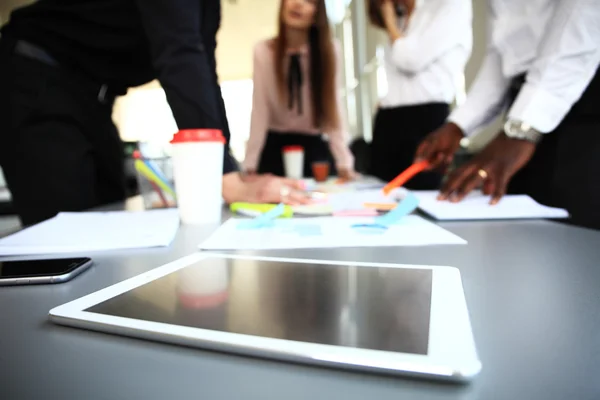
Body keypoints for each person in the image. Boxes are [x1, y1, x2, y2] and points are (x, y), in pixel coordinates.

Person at [0, 0, 309, 227]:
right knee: (66, 232)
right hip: (33, 77)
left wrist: (225, 165)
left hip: (94, 97)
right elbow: (179, 53)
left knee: (107, 220)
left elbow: (204, 73)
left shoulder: (208, 8)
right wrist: (224, 177)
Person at [415, 0, 600, 230]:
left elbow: (581, 33)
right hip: (523, 110)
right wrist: (458, 126)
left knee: (575, 237)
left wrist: (522, 128)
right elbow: (502, 56)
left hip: (580, 104)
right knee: (523, 232)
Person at [242, 0, 356, 180]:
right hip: (273, 151)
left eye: (308, 1)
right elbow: (259, 111)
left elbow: (333, 106)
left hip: (314, 151)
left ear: (317, 12)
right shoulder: (264, 52)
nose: (297, 4)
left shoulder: (329, 51)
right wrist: (249, 165)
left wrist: (344, 162)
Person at [367, 0, 472, 189]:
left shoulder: (449, 5)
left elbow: (410, 60)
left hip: (425, 119)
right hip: (388, 120)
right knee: (378, 196)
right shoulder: (401, 15)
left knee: (421, 197)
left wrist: (390, 23)